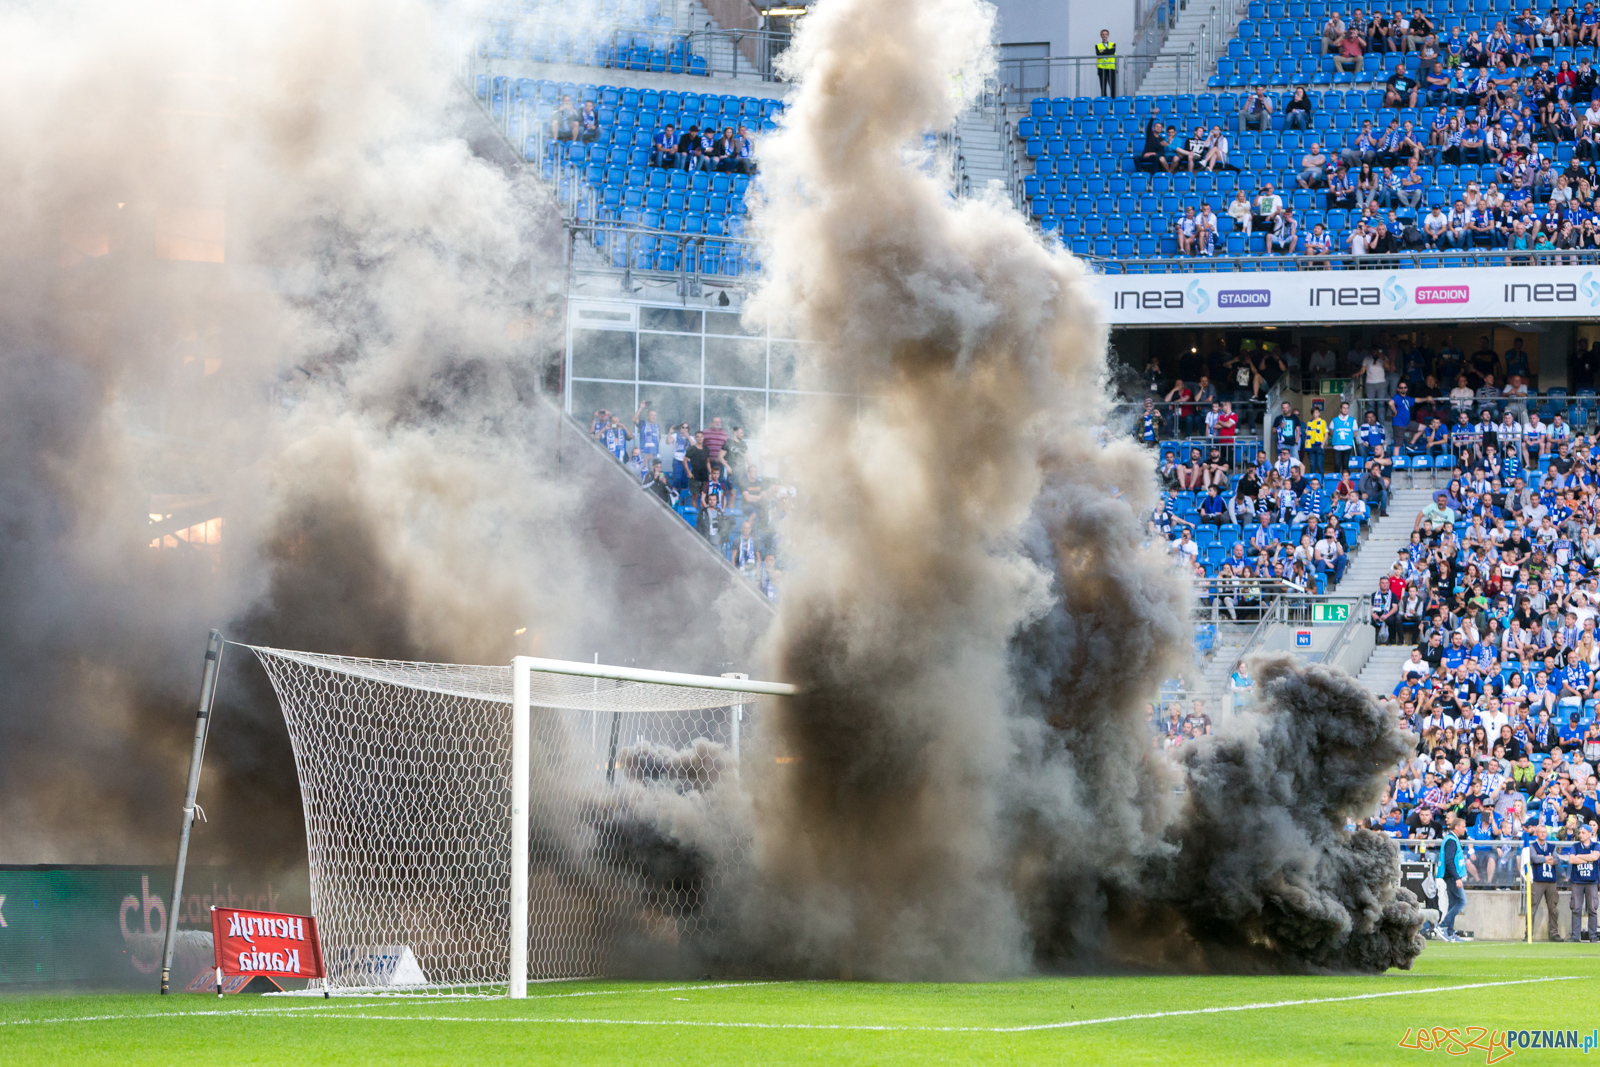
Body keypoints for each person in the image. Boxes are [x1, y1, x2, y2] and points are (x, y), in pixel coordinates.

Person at [1527, 823, 1566, 940]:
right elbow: (1534, 858)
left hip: (1551, 880)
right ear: (1537, 833)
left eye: (1545, 832)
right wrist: (1548, 858)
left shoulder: (1551, 846)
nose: (1543, 834)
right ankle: (1528, 933)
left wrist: (1542, 858)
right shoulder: (1532, 846)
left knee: (1553, 908)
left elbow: (1557, 860)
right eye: (1541, 832)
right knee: (1532, 907)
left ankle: (1554, 934)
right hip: (1538, 880)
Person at [1437, 815, 1470, 941]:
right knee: (1461, 902)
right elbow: (1449, 861)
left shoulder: (1452, 839)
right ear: (1456, 827)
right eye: (1463, 827)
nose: (1465, 829)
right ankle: (1443, 925)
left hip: (1450, 876)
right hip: (1451, 876)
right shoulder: (1451, 840)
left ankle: (1450, 933)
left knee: (1452, 903)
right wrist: (1457, 878)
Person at [1571, 824, 1600, 941]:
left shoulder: (1596, 845)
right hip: (1577, 881)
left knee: (1592, 909)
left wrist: (1580, 856)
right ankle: (1575, 936)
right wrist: (1588, 857)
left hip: (1591, 882)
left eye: (1583, 833)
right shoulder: (1575, 845)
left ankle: (1592, 936)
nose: (1581, 835)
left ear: (1590, 834)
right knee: (1576, 909)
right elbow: (1572, 859)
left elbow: (1595, 857)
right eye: (1580, 833)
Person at [1095, 28, 1117, 97]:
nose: (1104, 36)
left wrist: (1103, 52)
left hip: (1111, 68)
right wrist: (1108, 51)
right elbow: (1098, 55)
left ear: (1108, 36)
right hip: (1102, 68)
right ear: (1101, 36)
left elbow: (1112, 51)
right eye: (1103, 34)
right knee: (1103, 87)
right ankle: (1104, 101)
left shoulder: (1113, 44)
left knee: (1112, 86)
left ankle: (1113, 101)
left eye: (1106, 34)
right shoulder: (1097, 45)